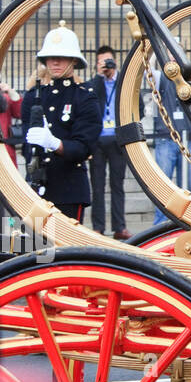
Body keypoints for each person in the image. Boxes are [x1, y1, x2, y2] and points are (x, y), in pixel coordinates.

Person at [19, 23, 101, 222]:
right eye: (51, 57)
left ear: (73, 60)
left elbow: (84, 146)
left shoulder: (84, 97)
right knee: (34, 250)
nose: (55, 61)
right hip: (37, 187)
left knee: (66, 252)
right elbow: (26, 145)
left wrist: (55, 144)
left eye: (62, 57)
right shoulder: (33, 97)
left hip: (69, 190)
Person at [84, 45, 130, 239]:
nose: (106, 65)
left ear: (115, 61)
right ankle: (98, 227)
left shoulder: (124, 83)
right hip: (97, 141)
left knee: (117, 185)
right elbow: (86, 107)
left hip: (118, 140)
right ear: (96, 64)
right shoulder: (93, 84)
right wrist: (101, 77)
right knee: (98, 186)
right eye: (102, 62)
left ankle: (119, 227)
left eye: (108, 61)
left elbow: (139, 107)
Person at [150, 64, 191, 225]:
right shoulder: (158, 77)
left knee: (188, 186)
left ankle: (189, 221)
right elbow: (146, 67)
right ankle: (161, 224)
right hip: (165, 138)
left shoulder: (190, 81)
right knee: (164, 184)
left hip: (187, 138)